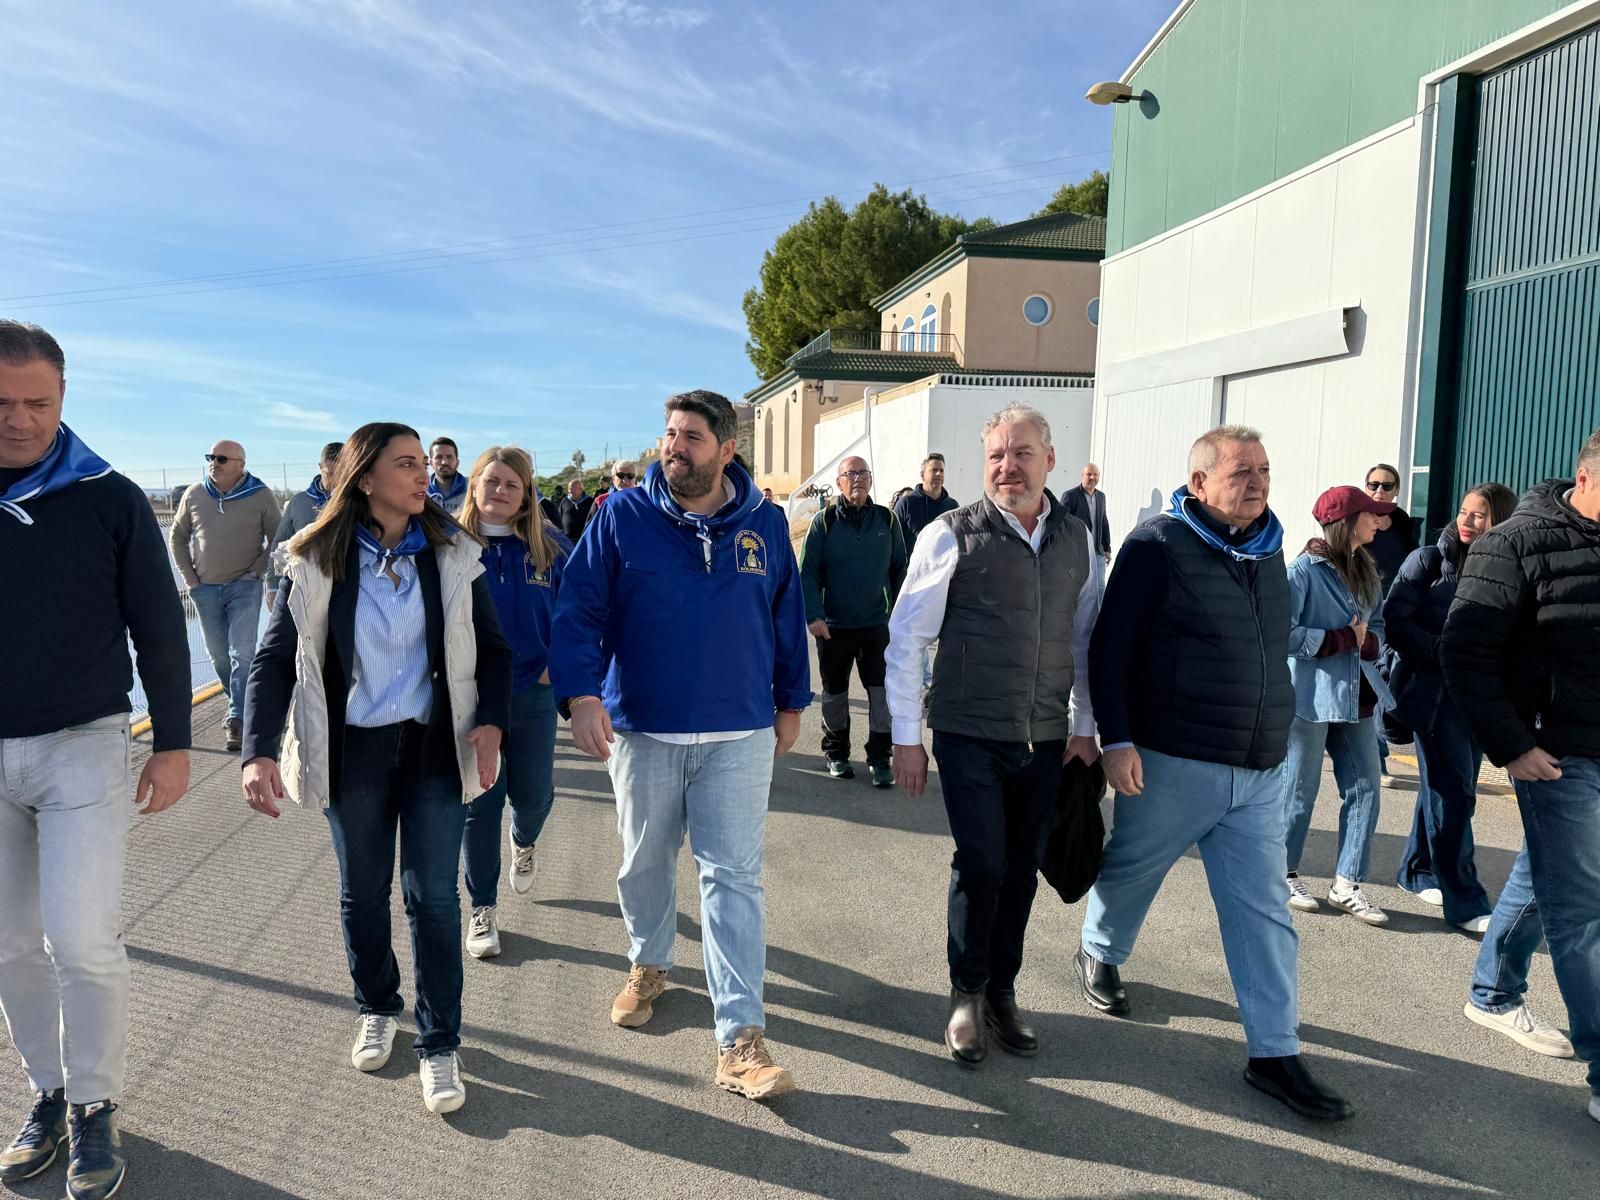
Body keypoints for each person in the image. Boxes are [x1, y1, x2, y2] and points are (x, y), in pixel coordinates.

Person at [1082, 425, 1353, 1122]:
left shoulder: (1270, 550)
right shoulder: (1155, 547)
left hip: (1260, 767)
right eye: (1240, 472)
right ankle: (1101, 950)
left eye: (1263, 469)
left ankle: (1274, 1053)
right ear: (1199, 483)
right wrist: (1118, 740)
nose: (1257, 481)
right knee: (1132, 868)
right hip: (1173, 756)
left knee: (1263, 914)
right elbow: (1112, 649)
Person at [239, 422, 511, 1116]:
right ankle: (377, 1005)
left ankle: (441, 1042)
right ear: (365, 478)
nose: (424, 475)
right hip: (351, 751)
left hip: (430, 748)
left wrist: (490, 721)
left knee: (434, 898)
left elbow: (495, 652)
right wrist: (259, 751)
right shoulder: (312, 558)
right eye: (406, 464)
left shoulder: (452, 554)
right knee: (364, 893)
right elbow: (274, 661)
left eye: (425, 464)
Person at [548, 390, 811, 1102]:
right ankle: (649, 962)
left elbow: (787, 615)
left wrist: (793, 700)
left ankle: (739, 1039)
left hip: (740, 729)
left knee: (733, 878)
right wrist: (579, 695)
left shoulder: (765, 522)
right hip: (645, 726)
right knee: (643, 862)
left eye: (691, 436)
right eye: (669, 434)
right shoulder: (621, 517)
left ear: (727, 448)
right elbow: (578, 610)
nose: (675, 446)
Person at [0, 320, 192, 1200]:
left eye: (37, 402)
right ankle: (49, 1091)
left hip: (84, 745)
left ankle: (96, 1103)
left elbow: (157, 621)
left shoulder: (108, 496)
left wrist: (175, 744)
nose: (19, 419)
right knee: (6, 946)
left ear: (65, 397)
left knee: (79, 940)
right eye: (2, 404)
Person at [887, 404, 1100, 1065]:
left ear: (1050, 459)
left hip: (1044, 736)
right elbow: (908, 636)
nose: (1008, 466)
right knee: (981, 864)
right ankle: (966, 995)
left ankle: (1003, 993)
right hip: (967, 731)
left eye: (1022, 453)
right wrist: (904, 736)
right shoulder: (951, 534)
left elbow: (1086, 638)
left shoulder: (1077, 541)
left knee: (1022, 872)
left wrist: (1086, 727)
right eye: (997, 457)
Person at [1441, 427, 1600, 1126]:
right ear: (1586, 477)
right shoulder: (1516, 544)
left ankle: (1492, 993)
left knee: (1551, 881)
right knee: (1584, 911)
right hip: (1556, 754)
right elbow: (1465, 652)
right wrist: (1510, 748)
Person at [456, 447, 572, 959]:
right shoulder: (451, 549)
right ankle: (482, 908)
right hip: (473, 698)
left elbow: (583, 613)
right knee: (479, 805)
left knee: (534, 795)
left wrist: (558, 663)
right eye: (492, 481)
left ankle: (524, 841)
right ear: (475, 485)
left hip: (534, 692)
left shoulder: (550, 549)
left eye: (512, 484)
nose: (500, 491)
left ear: (526, 494)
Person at [1388, 483, 1517, 931]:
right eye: (1464, 512)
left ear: (1498, 520)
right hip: (1430, 695)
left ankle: (1417, 870)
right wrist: (1445, 650)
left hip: (1477, 699)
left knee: (1445, 789)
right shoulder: (1426, 561)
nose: (1466, 521)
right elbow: (1395, 623)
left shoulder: (1505, 568)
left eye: (1479, 515)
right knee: (1455, 793)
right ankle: (1465, 901)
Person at [1280, 485, 1396, 926]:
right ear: (1347, 521)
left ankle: (1347, 883)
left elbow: (1378, 627)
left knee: (1366, 789)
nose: (1378, 521)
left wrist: (1369, 646)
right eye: (1372, 514)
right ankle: (1283, 873)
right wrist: (1339, 640)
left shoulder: (1367, 569)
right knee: (1299, 790)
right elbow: (1282, 633)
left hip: (1359, 699)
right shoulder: (1302, 572)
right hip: (1311, 698)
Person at [800, 455, 907, 786]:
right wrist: (814, 616)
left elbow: (900, 571)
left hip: (877, 626)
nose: (857, 479)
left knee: (880, 694)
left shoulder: (887, 521)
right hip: (833, 627)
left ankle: (879, 757)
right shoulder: (824, 521)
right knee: (834, 693)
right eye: (851, 474)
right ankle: (836, 753)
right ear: (839, 481)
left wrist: (900, 618)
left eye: (863, 473)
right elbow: (808, 572)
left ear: (871, 480)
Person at [168, 437, 280, 752]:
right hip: (204, 589)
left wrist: (257, 572)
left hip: (245, 586)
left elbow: (277, 538)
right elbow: (177, 537)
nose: (213, 463)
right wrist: (190, 580)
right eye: (211, 457)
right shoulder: (194, 494)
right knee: (218, 654)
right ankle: (247, 706)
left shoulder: (260, 495)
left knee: (241, 652)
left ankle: (237, 719)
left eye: (221, 459)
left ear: (240, 466)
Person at [1363, 462, 1417, 786]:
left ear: (1397, 490)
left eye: (1387, 485)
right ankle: (1374, 758)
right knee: (1369, 683)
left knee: (1384, 681)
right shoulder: (1356, 522)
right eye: (1373, 484)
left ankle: (1376, 754)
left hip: (1393, 613)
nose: (1379, 491)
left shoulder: (1403, 525)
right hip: (1362, 614)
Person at [267, 441, 343, 605]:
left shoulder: (358, 502)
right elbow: (279, 543)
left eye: (343, 474)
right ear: (320, 467)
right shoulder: (300, 502)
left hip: (345, 587)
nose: (337, 481)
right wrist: (273, 586)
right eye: (330, 474)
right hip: (305, 588)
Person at [893, 452, 959, 544]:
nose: (938, 473)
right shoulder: (906, 504)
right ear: (922, 475)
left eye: (941, 470)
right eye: (934, 470)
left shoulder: (952, 506)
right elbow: (892, 538)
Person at [1062, 462, 1113, 561]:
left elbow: (1104, 523)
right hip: (1078, 554)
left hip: (1098, 554)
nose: (1092, 477)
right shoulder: (1070, 496)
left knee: (1099, 577)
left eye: (1095, 474)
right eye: (1089, 474)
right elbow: (1062, 525)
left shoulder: (1101, 497)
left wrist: (1107, 549)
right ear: (1082, 475)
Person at [426, 436, 466, 515]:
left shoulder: (471, 491)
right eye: (439, 457)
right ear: (430, 463)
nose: (444, 462)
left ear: (457, 462)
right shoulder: (422, 492)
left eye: (449, 457)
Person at [557, 476, 592, 540]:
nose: (570, 491)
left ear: (581, 490)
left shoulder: (590, 501)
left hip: (585, 539)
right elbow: (559, 518)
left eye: (573, 489)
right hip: (567, 540)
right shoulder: (564, 501)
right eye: (569, 489)